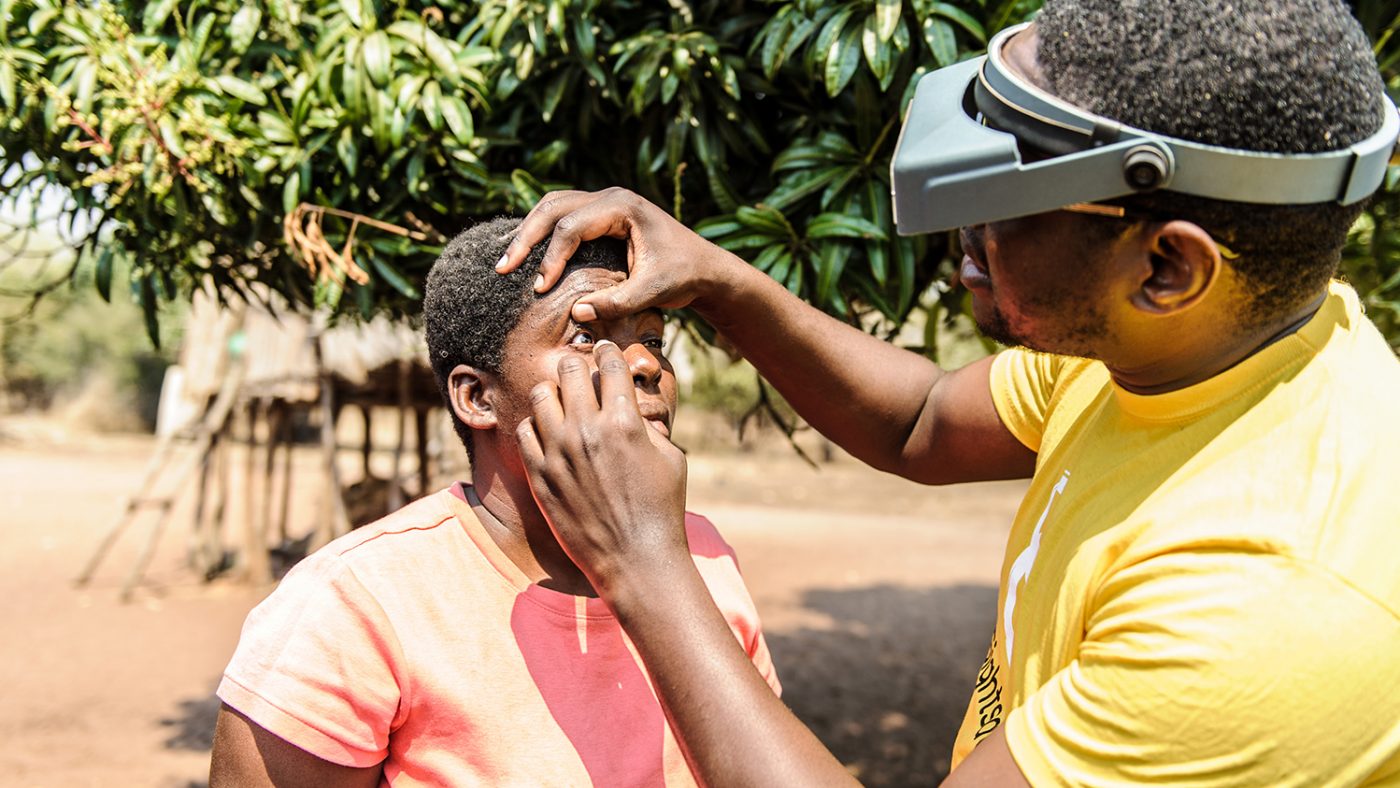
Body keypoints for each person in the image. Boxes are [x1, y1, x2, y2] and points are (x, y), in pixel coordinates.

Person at [497, 1, 1400, 785]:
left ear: (1165, 265)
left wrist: (643, 563)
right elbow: (922, 421)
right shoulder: (1196, 342)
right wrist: (721, 280)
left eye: (1003, 195)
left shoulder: (1264, 609)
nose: (962, 234)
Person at [207, 217, 781, 786]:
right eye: (585, 338)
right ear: (478, 397)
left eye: (652, 339)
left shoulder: (701, 555)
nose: (644, 365)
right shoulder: (357, 601)